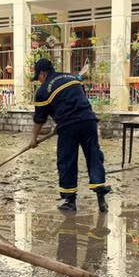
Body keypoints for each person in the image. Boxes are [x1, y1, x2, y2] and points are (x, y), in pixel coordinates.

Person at [29, 58, 110, 212]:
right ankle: (101, 199)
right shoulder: (72, 78)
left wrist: (34, 139)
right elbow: (75, 101)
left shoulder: (44, 90)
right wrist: (58, 125)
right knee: (94, 157)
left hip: (69, 127)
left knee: (67, 161)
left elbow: (39, 119)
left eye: (38, 78)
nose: (39, 82)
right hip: (89, 121)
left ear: (43, 74)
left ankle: (70, 202)